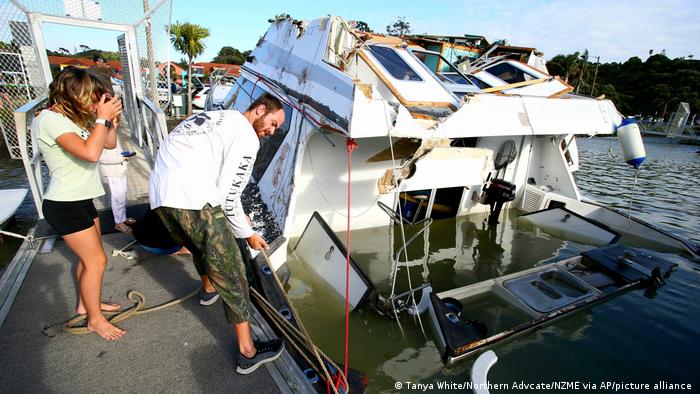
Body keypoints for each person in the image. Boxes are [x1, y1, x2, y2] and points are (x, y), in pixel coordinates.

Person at [149, 92, 285, 374]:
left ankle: (208, 289)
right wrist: (247, 232)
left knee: (199, 246)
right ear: (260, 109)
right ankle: (248, 352)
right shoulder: (247, 136)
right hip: (193, 201)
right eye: (272, 123)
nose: (271, 132)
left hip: (161, 200)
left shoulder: (216, 117)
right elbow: (229, 197)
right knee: (233, 271)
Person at [35, 67, 124, 340]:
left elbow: (107, 145)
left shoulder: (71, 120)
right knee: (96, 260)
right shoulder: (49, 119)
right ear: (72, 94)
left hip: (82, 200)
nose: (91, 102)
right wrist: (100, 120)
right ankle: (95, 320)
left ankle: (87, 305)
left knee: (89, 261)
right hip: (64, 204)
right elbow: (89, 153)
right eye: (89, 96)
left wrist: (111, 121)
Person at [98, 136, 136, 233]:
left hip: (119, 170)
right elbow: (100, 157)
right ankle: (119, 223)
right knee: (118, 197)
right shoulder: (99, 135)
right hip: (112, 172)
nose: (117, 124)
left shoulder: (113, 133)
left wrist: (124, 157)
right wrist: (121, 158)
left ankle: (122, 218)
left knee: (122, 196)